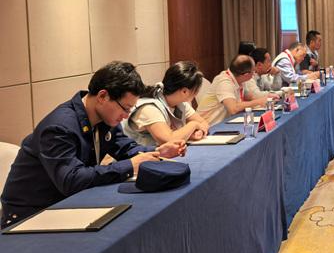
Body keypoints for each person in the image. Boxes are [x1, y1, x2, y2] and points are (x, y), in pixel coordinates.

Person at [0, 61, 185, 227]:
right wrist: (130, 165)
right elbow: (72, 180)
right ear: (103, 96)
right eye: (125, 108)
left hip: (67, 204)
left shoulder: (105, 119)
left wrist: (157, 151)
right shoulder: (59, 127)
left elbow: (126, 148)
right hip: (29, 215)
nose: (126, 115)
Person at [123, 61, 210, 146]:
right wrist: (193, 125)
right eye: (196, 90)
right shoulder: (149, 108)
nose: (196, 93)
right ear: (184, 91)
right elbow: (168, 140)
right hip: (138, 154)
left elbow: (203, 122)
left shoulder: (180, 103)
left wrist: (198, 132)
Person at [196, 55, 272, 126]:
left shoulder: (239, 78)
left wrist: (268, 97)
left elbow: (250, 96)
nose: (254, 74)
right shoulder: (224, 82)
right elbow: (233, 108)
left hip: (225, 122)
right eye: (253, 72)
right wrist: (258, 102)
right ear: (246, 75)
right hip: (209, 126)